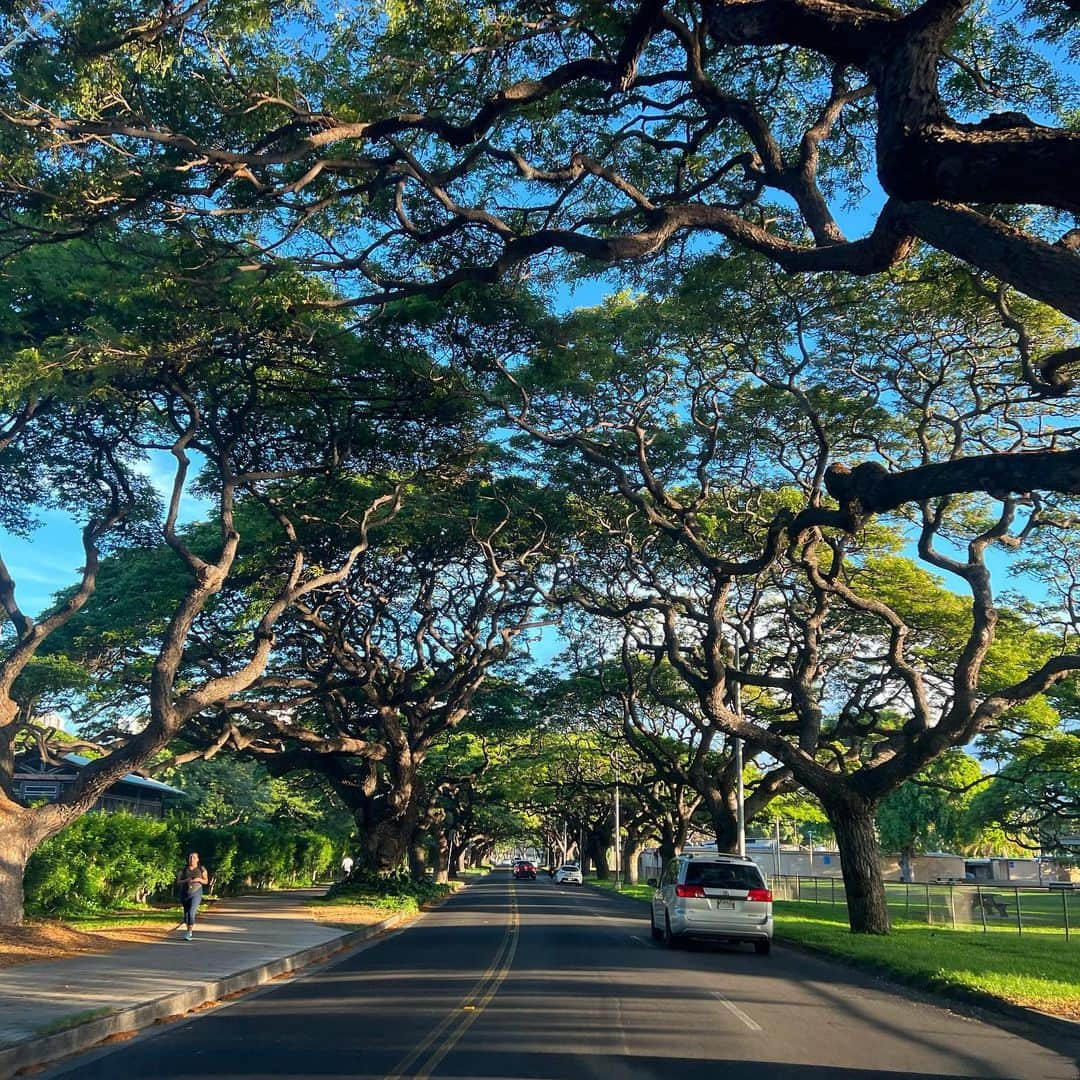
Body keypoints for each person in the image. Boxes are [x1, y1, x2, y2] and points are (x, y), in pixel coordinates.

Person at [176, 851, 209, 941]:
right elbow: (178, 882)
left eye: (194, 857)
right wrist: (186, 880)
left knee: (191, 912)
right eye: (190, 857)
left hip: (196, 893)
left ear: (198, 859)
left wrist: (198, 879)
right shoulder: (183, 869)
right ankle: (188, 930)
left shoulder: (201, 869)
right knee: (186, 914)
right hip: (184, 893)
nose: (192, 859)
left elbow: (206, 881)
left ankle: (189, 933)